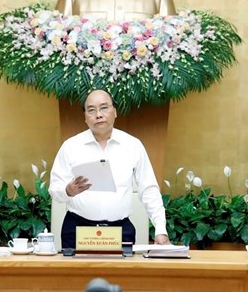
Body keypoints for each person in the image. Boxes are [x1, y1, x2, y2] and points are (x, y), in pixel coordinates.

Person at [49, 89, 170, 248]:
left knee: (121, 274)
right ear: (85, 117)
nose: (98, 114)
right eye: (91, 110)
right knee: (76, 274)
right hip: (77, 229)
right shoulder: (70, 147)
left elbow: (149, 189)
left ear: (115, 111)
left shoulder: (132, 145)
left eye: (104, 108)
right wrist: (68, 191)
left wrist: (160, 229)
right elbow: (54, 189)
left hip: (120, 230)